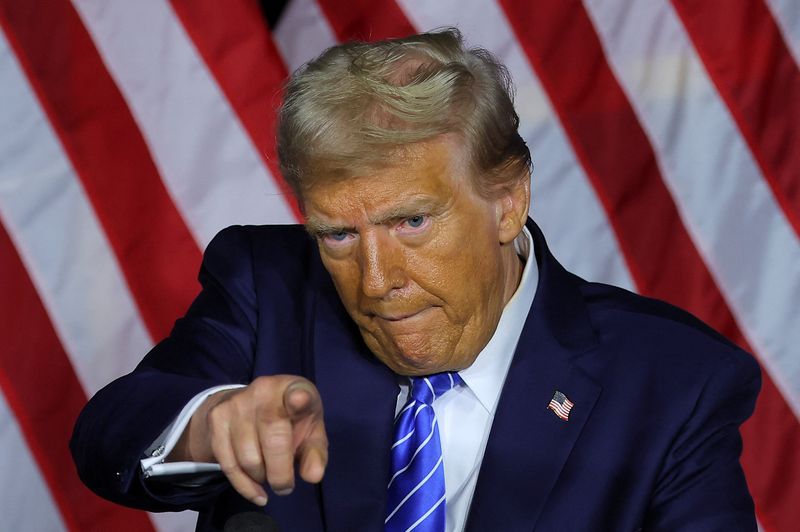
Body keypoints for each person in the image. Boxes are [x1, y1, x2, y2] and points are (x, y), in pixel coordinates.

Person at [71, 29, 760, 531]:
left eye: (411, 223)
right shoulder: (270, 287)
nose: (375, 283)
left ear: (508, 200)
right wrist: (214, 421)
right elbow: (110, 433)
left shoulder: (674, 381)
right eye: (338, 235)